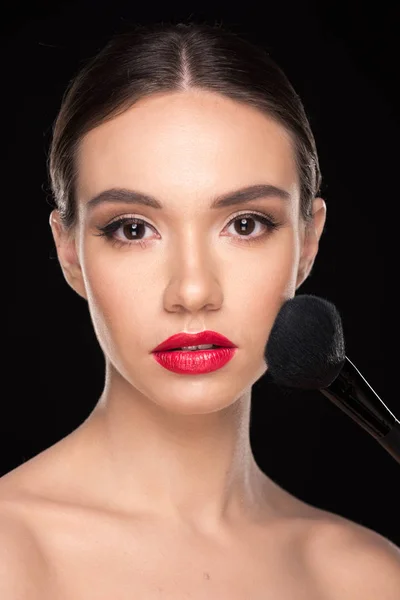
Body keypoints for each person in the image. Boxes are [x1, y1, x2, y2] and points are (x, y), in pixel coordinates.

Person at [1, 20, 399, 599]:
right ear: (70, 252)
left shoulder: (369, 579)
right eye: (133, 228)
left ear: (308, 242)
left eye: (245, 224)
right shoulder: (11, 556)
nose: (192, 290)